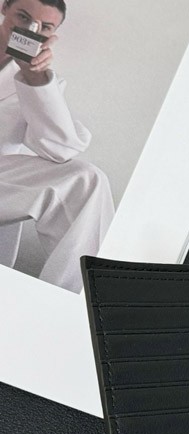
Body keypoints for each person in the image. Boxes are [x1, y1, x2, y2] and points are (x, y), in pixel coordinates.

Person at [0, 0, 114, 293]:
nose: (30, 29)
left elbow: (59, 150)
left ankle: (72, 302)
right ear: (4, 8)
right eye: (23, 17)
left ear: (51, 35)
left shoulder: (39, 83)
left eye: (43, 27)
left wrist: (34, 77)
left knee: (87, 180)